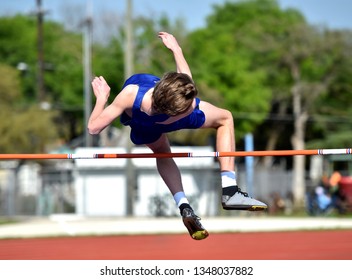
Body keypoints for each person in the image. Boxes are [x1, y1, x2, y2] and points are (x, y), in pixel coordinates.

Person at [88, 31, 267, 241]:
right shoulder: (188, 105)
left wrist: (102, 98)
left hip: (146, 124)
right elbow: (186, 77)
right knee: (225, 118)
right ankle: (230, 189)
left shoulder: (131, 95)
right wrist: (176, 49)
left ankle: (183, 205)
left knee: (163, 153)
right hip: (181, 118)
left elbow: (93, 128)